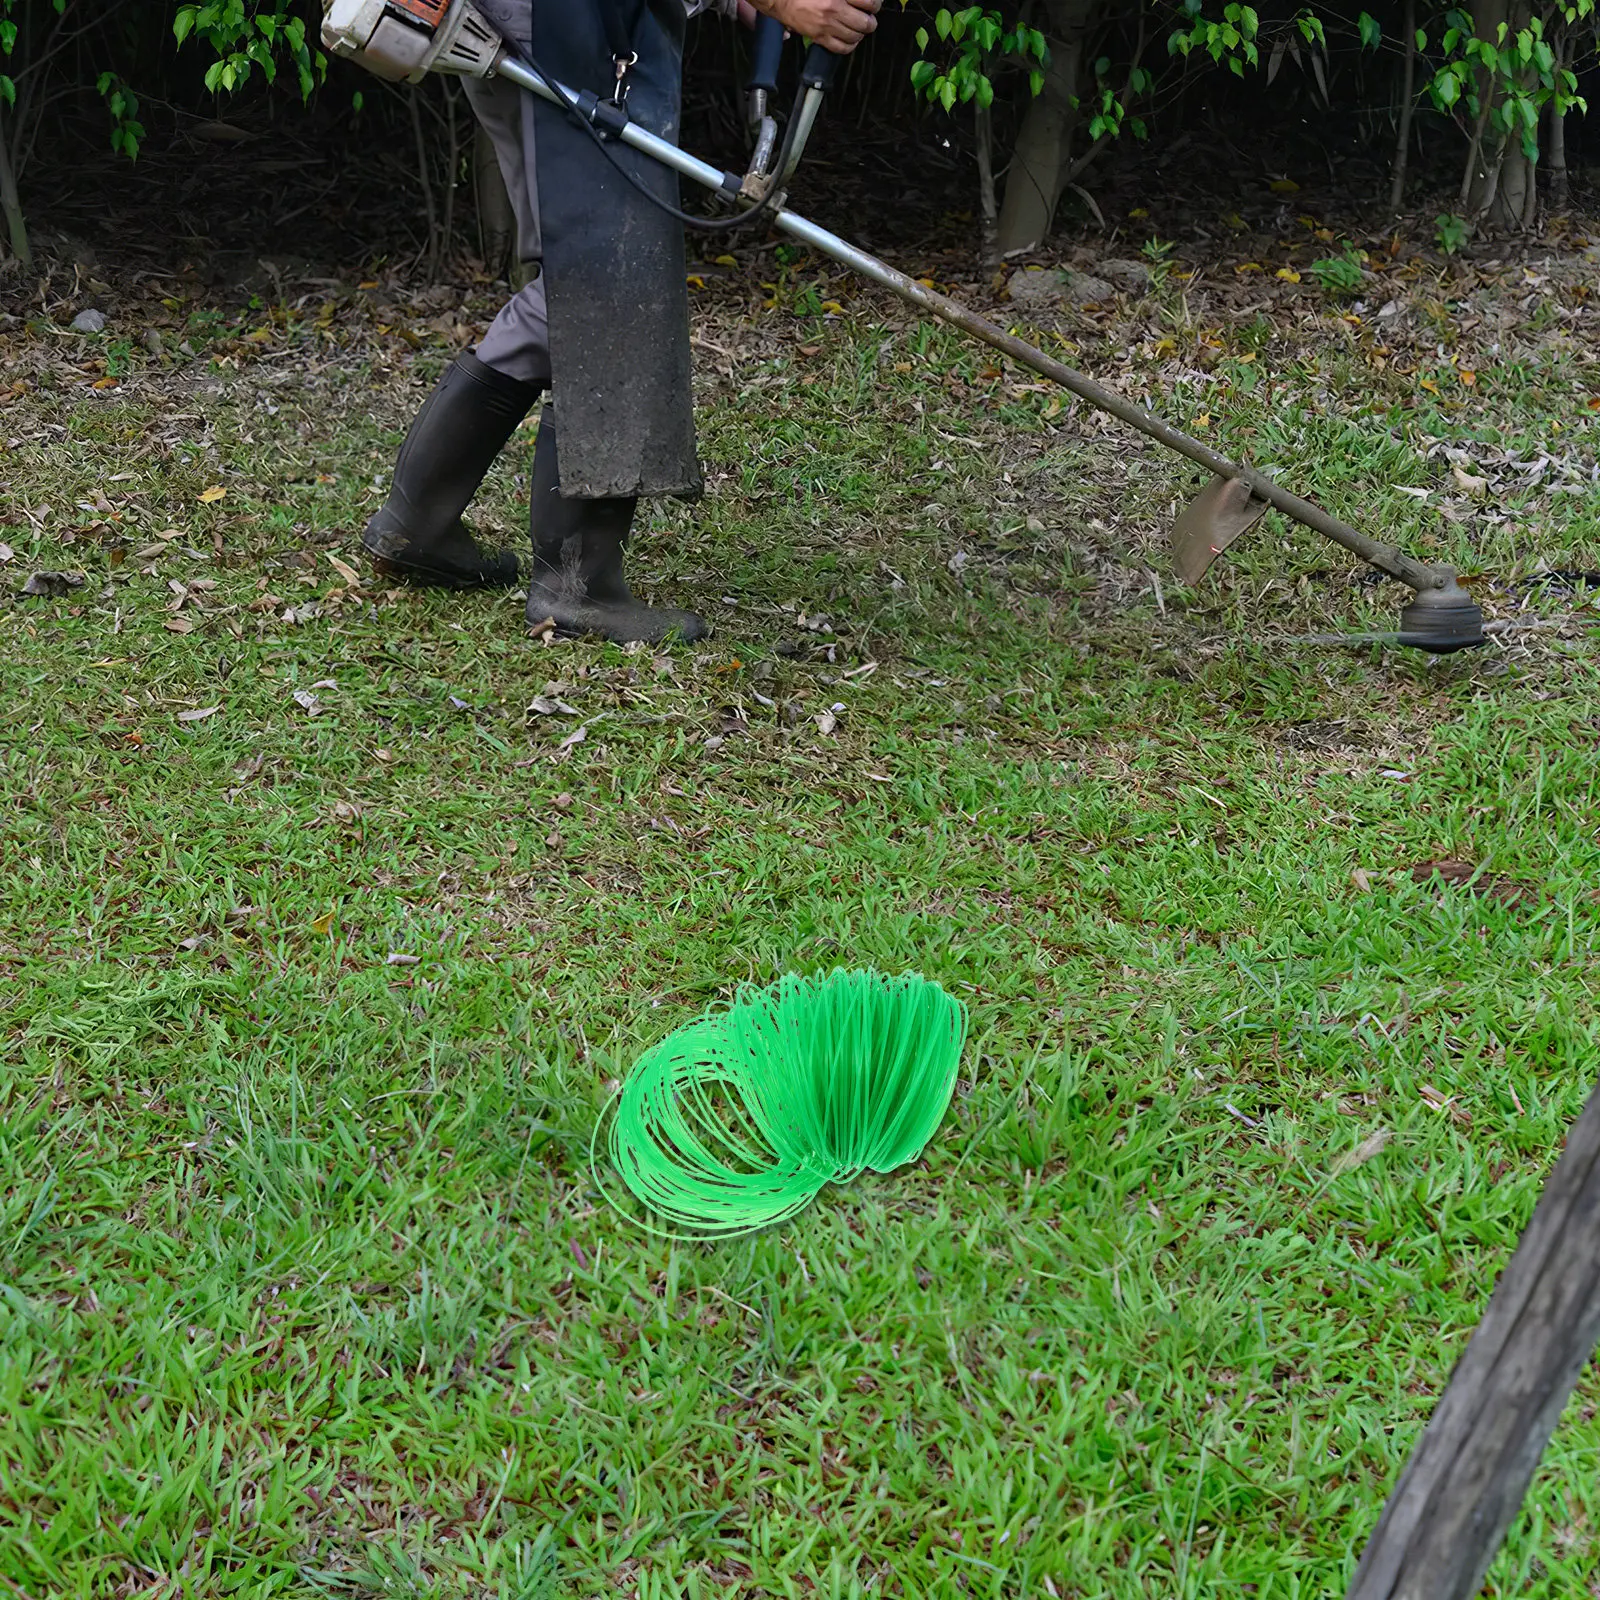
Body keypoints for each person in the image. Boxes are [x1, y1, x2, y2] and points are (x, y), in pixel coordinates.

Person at [362, 0, 882, 644]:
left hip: (567, 33)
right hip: (560, 35)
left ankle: (419, 523)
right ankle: (576, 586)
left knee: (578, 289)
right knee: (601, 290)